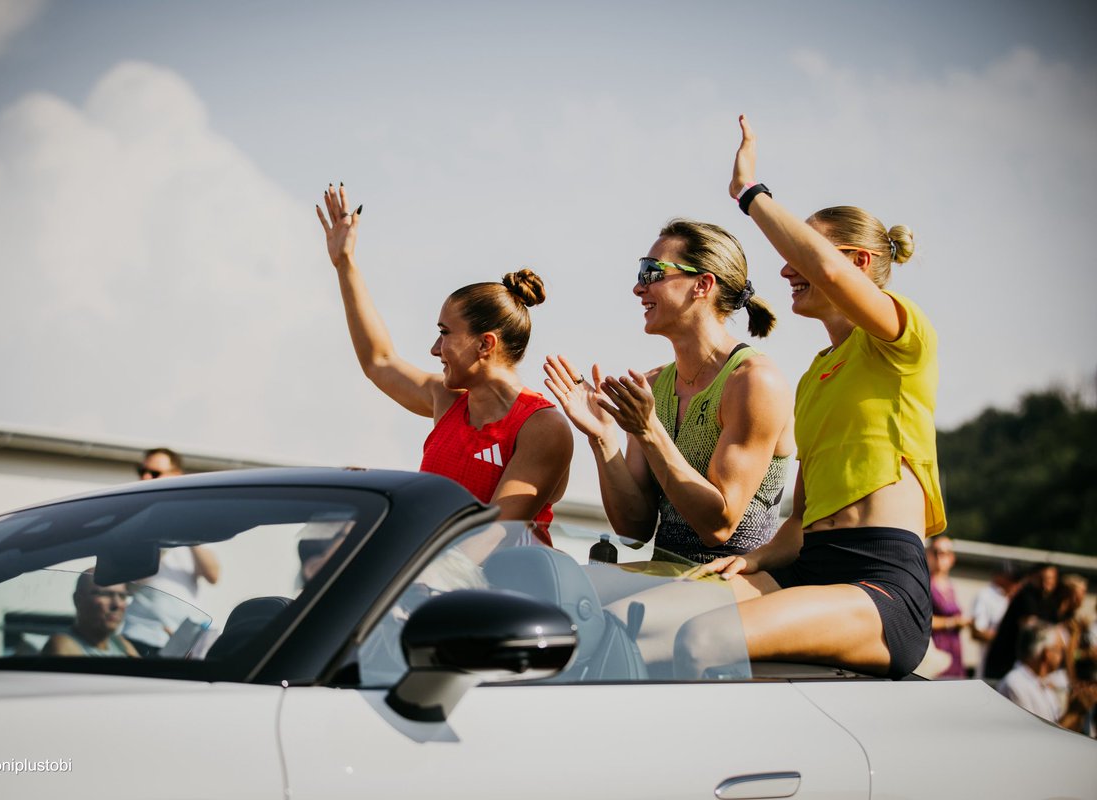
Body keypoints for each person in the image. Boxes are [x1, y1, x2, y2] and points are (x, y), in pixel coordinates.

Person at [677, 115, 946, 680]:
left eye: (800, 251)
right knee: (647, 621)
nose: (784, 268)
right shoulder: (815, 376)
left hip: (879, 587)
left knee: (705, 639)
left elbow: (826, 268)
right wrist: (751, 559)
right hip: (807, 568)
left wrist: (749, 193)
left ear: (858, 263)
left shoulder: (903, 341)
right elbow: (801, 519)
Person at [316, 184, 572, 538]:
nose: (435, 349)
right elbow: (379, 361)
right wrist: (345, 264)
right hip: (436, 570)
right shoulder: (448, 399)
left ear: (485, 344)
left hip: (492, 576)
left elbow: (491, 538)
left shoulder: (542, 426)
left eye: (445, 333)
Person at [543, 220, 793, 564]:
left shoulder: (754, 382)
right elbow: (634, 530)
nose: (638, 288)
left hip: (735, 579)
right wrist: (602, 438)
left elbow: (718, 527)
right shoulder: (654, 386)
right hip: (667, 576)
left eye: (651, 272)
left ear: (702, 285)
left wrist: (648, 430)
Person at [121, 448, 221, 656]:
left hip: (181, 636)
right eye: (142, 471)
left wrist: (187, 529)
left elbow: (213, 575)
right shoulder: (132, 518)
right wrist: (161, 533)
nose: (145, 477)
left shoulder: (196, 518)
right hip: (141, 633)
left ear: (176, 476)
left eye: (155, 473)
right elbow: (131, 580)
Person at [983, 563, 1060, 681]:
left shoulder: (1049, 601)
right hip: (1007, 663)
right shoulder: (1026, 595)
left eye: (1050, 578)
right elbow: (1031, 631)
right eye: (1042, 578)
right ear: (1032, 578)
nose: (1046, 582)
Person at [42, 570, 140, 657]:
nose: (117, 604)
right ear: (78, 600)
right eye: (105, 594)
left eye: (122, 596)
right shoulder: (64, 646)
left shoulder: (120, 644)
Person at [997, 621, 1067, 723]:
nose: (1062, 657)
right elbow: (1034, 731)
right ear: (1047, 653)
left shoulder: (1044, 683)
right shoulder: (1015, 684)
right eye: (1059, 650)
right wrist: (1072, 714)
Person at [927, 536, 969, 678]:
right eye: (936, 552)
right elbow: (921, 620)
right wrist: (952, 622)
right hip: (936, 653)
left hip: (954, 653)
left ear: (952, 558)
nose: (940, 557)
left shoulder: (951, 586)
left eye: (946, 553)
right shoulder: (926, 584)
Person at [970, 564, 1019, 677]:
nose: (1012, 583)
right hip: (990, 666)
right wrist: (1006, 638)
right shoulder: (985, 595)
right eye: (1009, 578)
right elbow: (977, 631)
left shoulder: (1016, 597)